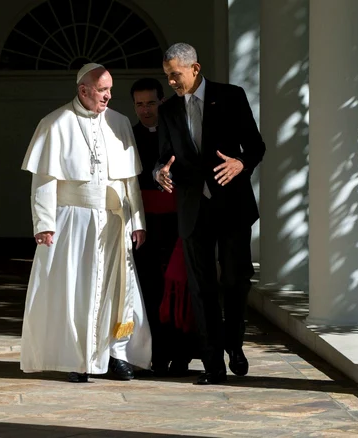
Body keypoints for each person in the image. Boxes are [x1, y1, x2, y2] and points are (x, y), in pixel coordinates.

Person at [19, 63, 151, 383]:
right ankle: (76, 359)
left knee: (117, 291)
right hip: (71, 221)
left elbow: (129, 180)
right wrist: (44, 223)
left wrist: (137, 221)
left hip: (112, 221)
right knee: (75, 291)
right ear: (84, 90)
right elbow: (44, 180)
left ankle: (116, 354)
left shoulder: (119, 123)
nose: (109, 95)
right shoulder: (55, 123)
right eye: (103, 90)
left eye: (110, 90)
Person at [154, 43, 266, 385]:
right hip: (192, 209)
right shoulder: (168, 110)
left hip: (232, 206)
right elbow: (163, 157)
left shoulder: (231, 96)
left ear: (195, 69)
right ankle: (212, 364)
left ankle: (234, 345)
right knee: (201, 289)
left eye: (176, 74)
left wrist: (241, 163)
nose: (172, 81)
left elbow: (256, 146)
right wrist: (160, 172)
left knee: (234, 280)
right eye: (167, 75)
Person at [131, 78, 198, 377]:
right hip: (144, 225)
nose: (145, 110)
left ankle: (182, 355)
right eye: (139, 104)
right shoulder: (128, 136)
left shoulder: (179, 130)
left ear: (162, 101)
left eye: (151, 103)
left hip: (177, 223)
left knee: (180, 286)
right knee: (150, 290)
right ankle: (156, 355)